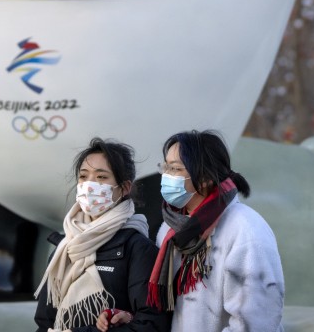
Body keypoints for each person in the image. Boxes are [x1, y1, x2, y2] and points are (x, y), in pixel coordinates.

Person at [147, 130, 284, 332]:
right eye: (165, 167)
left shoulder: (246, 229)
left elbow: (257, 321)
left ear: (205, 177)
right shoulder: (170, 228)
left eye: (175, 169)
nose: (166, 176)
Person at [35, 137, 170, 332]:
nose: (89, 185)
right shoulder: (65, 247)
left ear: (124, 188)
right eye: (83, 176)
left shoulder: (138, 249)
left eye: (101, 177)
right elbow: (44, 322)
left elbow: (151, 324)